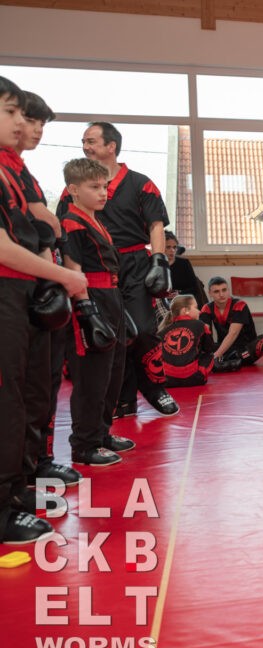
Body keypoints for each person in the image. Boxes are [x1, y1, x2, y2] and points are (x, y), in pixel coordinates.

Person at [0, 77, 87, 544]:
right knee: (8, 396)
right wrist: (63, 276)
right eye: (13, 113)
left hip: (23, 289)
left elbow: (43, 226)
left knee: (27, 392)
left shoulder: (15, 171)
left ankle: (19, 484)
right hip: (9, 286)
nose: (23, 125)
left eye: (26, 116)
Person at [58, 121, 178, 418]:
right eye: (83, 142)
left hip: (135, 264)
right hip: (95, 268)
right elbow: (63, 230)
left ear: (111, 146)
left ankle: (154, 387)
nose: (85, 146)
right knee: (113, 336)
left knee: (144, 330)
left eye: (91, 141)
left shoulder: (140, 183)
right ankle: (123, 398)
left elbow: (156, 225)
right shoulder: (74, 190)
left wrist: (159, 260)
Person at [60, 157, 141, 469]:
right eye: (94, 187)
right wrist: (86, 309)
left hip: (111, 297)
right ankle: (84, 444)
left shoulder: (96, 221)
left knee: (113, 372)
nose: (103, 193)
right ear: (73, 189)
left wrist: (119, 309)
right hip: (90, 297)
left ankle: (102, 433)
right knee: (92, 376)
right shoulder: (72, 222)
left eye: (105, 186)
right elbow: (73, 268)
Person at [199, 276, 263, 370]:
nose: (221, 294)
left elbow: (233, 333)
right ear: (210, 293)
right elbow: (204, 334)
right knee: (201, 345)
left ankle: (224, 360)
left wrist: (215, 355)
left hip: (245, 348)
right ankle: (230, 361)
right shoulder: (206, 308)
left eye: (224, 290)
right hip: (225, 348)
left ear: (228, 290)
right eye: (216, 291)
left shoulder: (239, 305)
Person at [159, 294, 215, 387]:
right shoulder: (200, 325)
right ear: (185, 310)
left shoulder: (162, 331)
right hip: (194, 378)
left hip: (168, 380)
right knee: (210, 354)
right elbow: (210, 348)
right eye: (196, 308)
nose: (199, 311)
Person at [163, 231, 205, 304]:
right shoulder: (157, 264)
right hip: (163, 300)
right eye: (168, 247)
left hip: (182, 300)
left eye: (174, 247)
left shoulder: (184, 263)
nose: (172, 250)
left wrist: (179, 294)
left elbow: (195, 288)